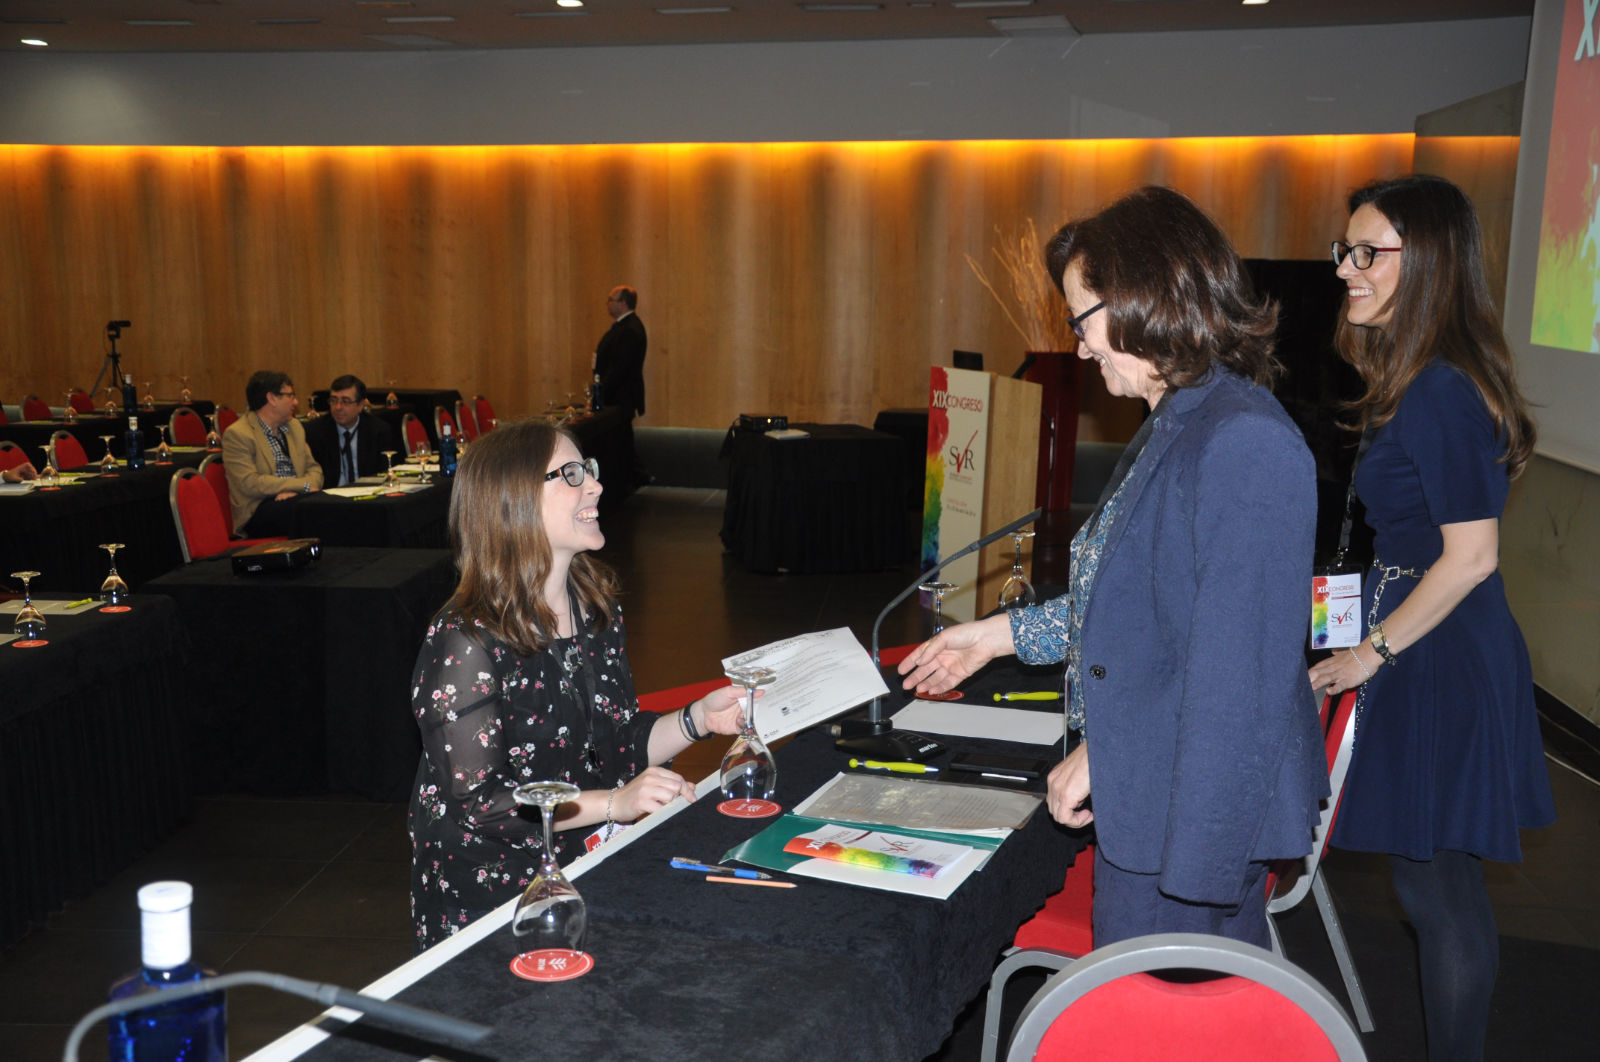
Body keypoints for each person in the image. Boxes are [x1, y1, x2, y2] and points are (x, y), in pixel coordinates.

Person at [899, 186, 1326, 949]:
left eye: (1081, 321)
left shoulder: (1243, 441)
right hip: (1157, 802)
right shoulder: (1183, 419)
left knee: (1161, 1008)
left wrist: (1112, 752)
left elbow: (1235, 675)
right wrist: (999, 635)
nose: (1079, 347)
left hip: (1191, 819)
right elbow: (1145, 603)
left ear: (1146, 297)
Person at [1306, 175, 1555, 1062]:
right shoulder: (1419, 380)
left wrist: (1369, 653)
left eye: (1367, 252)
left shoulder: (1441, 390)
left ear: (1432, 263)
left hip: (1437, 656)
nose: (1347, 268)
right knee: (1431, 889)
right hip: (1424, 642)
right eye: (1345, 250)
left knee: (1439, 894)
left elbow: (1473, 555)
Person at [408, 418, 748, 950]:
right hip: (493, 892)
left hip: (584, 863)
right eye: (570, 474)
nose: (595, 485)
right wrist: (614, 803)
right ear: (513, 500)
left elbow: (617, 742)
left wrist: (699, 719)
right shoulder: (465, 640)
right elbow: (481, 805)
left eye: (587, 469)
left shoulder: (594, 608)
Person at [221, 370, 322, 535]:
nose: (296, 402)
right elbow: (249, 483)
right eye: (290, 395)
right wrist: (300, 486)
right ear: (272, 398)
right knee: (313, 513)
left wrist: (296, 492)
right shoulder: (238, 434)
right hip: (259, 508)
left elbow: (314, 469)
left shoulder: (294, 427)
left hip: (295, 501)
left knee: (328, 506)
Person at [304, 374, 397, 487]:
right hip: (330, 493)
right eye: (334, 400)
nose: (338, 407)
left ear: (360, 405)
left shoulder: (378, 430)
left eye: (345, 401)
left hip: (367, 492)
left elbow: (384, 473)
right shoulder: (314, 431)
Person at [594, 285, 647, 418]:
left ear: (623, 303)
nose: (607, 303)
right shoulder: (624, 326)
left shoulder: (629, 329)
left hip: (619, 398)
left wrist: (601, 393)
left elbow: (620, 368)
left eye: (610, 300)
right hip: (617, 397)